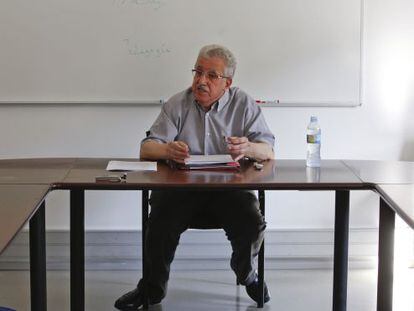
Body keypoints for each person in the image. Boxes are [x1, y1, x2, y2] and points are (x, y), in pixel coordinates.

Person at [115, 44, 275, 310]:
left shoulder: (243, 103)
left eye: (211, 76)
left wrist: (247, 147)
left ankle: (247, 274)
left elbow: (268, 150)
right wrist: (168, 149)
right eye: (198, 72)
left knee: (251, 221)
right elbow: (146, 148)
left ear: (227, 83)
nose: (201, 81)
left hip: (229, 190)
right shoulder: (178, 103)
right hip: (181, 189)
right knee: (159, 221)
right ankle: (152, 290)